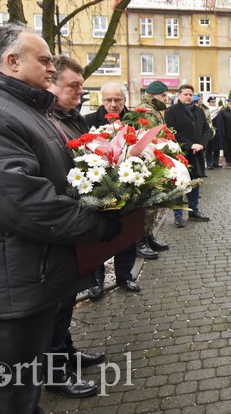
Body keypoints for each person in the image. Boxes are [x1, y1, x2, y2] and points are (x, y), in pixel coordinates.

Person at [0, 24, 120, 413]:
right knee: (3, 397)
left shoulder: (19, 109)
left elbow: (56, 177)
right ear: (12, 61)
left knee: (21, 392)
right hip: (9, 284)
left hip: (26, 276)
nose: (52, 68)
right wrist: (98, 226)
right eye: (43, 60)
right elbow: (26, 204)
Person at [45, 55, 105, 398]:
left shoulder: (73, 119)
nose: (81, 93)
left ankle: (67, 354)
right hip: (59, 224)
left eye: (82, 86)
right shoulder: (46, 120)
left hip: (74, 223)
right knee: (54, 306)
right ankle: (55, 373)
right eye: (74, 86)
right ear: (52, 84)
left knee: (66, 300)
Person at [84, 82, 141, 298]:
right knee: (98, 236)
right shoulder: (89, 120)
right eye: (108, 100)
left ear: (125, 101)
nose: (113, 104)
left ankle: (124, 276)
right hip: (99, 187)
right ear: (102, 99)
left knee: (128, 234)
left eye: (117, 100)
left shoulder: (133, 121)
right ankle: (96, 280)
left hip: (129, 185)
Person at [165, 84, 211, 227]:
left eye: (190, 94)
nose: (188, 97)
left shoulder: (199, 111)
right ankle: (178, 215)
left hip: (197, 153)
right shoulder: (171, 112)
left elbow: (206, 129)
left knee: (194, 183)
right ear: (179, 95)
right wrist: (190, 145)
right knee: (179, 184)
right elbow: (172, 132)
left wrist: (202, 145)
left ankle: (193, 211)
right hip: (181, 154)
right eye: (185, 94)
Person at [136, 80, 172, 258]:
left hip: (155, 159)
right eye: (163, 95)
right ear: (153, 95)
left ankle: (148, 236)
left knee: (154, 202)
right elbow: (152, 136)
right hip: (148, 160)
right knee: (148, 203)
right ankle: (140, 241)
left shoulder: (155, 109)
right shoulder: (147, 110)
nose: (166, 98)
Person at [206, 96, 224, 169]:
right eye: (212, 102)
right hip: (209, 132)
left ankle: (216, 162)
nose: (213, 103)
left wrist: (222, 131)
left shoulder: (218, 110)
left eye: (214, 102)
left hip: (218, 131)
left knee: (217, 148)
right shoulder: (207, 110)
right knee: (209, 148)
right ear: (209, 103)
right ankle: (209, 163)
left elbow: (221, 121)